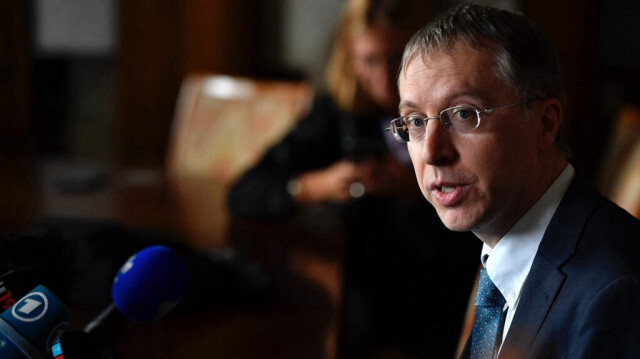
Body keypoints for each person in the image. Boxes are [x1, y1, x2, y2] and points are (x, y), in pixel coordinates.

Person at [228, 0, 480, 358]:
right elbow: (246, 191)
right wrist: (316, 185)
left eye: (395, 59)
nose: (382, 79)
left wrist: (420, 189)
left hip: (443, 291)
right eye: (368, 61)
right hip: (362, 294)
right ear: (350, 59)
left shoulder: (461, 112)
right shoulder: (340, 114)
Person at [389, 4, 640, 358]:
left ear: (545, 124)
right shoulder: (498, 257)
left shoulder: (615, 290)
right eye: (415, 121)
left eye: (463, 114)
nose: (431, 151)